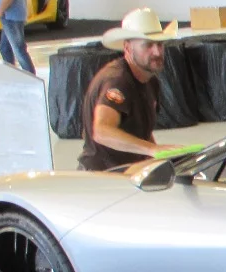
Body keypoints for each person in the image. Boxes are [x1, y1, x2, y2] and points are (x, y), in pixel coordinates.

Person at [78, 9, 185, 171]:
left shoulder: (150, 81)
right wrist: (152, 150)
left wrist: (157, 155)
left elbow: (143, 133)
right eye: (148, 45)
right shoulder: (118, 80)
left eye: (160, 44)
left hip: (129, 172)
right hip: (105, 176)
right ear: (127, 48)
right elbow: (101, 131)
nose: (157, 52)